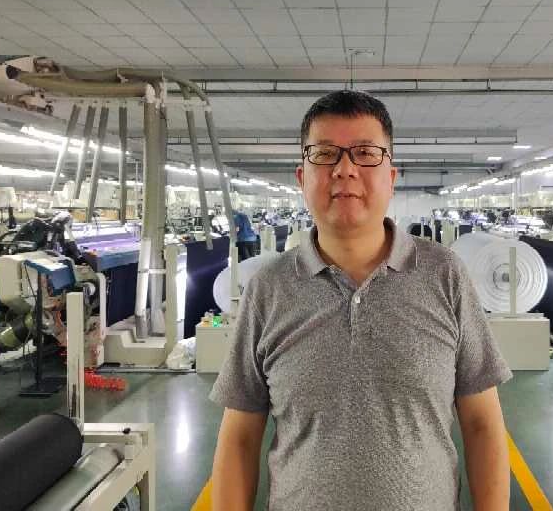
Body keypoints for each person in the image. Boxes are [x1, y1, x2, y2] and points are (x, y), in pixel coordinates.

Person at [210, 90, 512, 510]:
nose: (345, 169)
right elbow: (240, 438)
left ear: (391, 176)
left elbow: (481, 424)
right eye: (325, 154)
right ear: (301, 177)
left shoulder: (445, 275)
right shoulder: (268, 289)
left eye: (366, 153)